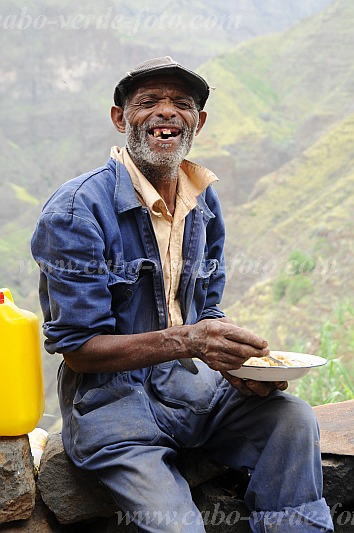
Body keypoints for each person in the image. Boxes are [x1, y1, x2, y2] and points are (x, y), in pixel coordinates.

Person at [31, 56, 334, 532]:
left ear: (199, 121)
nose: (165, 113)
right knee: (178, 527)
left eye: (182, 105)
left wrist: (236, 365)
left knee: (291, 420)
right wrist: (190, 342)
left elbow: (206, 308)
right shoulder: (76, 212)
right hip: (114, 414)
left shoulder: (202, 198)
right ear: (120, 118)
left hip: (193, 392)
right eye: (148, 103)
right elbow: (79, 350)